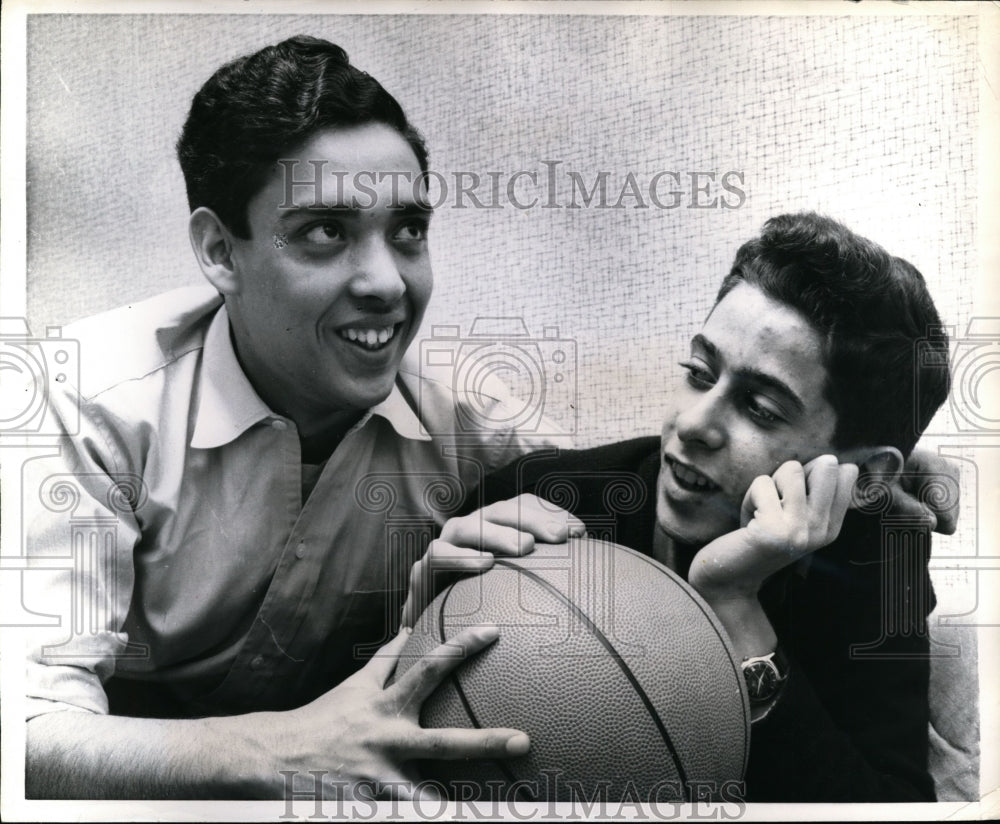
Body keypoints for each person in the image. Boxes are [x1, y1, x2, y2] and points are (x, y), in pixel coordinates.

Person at [21, 35, 583, 800]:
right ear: (221, 251)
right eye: (327, 232)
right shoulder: (85, 401)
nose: (388, 283)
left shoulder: (473, 434)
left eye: (408, 230)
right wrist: (284, 751)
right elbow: (29, 732)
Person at [411, 212, 957, 802]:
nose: (692, 424)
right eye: (699, 373)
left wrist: (733, 606)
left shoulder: (875, 558)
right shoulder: (535, 502)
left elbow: (889, 807)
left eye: (761, 409)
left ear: (868, 478)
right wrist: (411, 621)